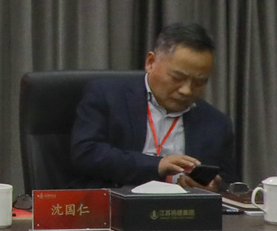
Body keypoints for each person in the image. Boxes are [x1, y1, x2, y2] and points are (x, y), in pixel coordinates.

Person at [71, 22, 237, 189]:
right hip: (116, 200)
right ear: (150, 62)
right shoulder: (108, 96)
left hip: (180, 204)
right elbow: (86, 153)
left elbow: (229, 184)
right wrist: (157, 165)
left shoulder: (217, 123)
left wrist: (212, 186)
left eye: (199, 82)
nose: (186, 90)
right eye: (177, 78)